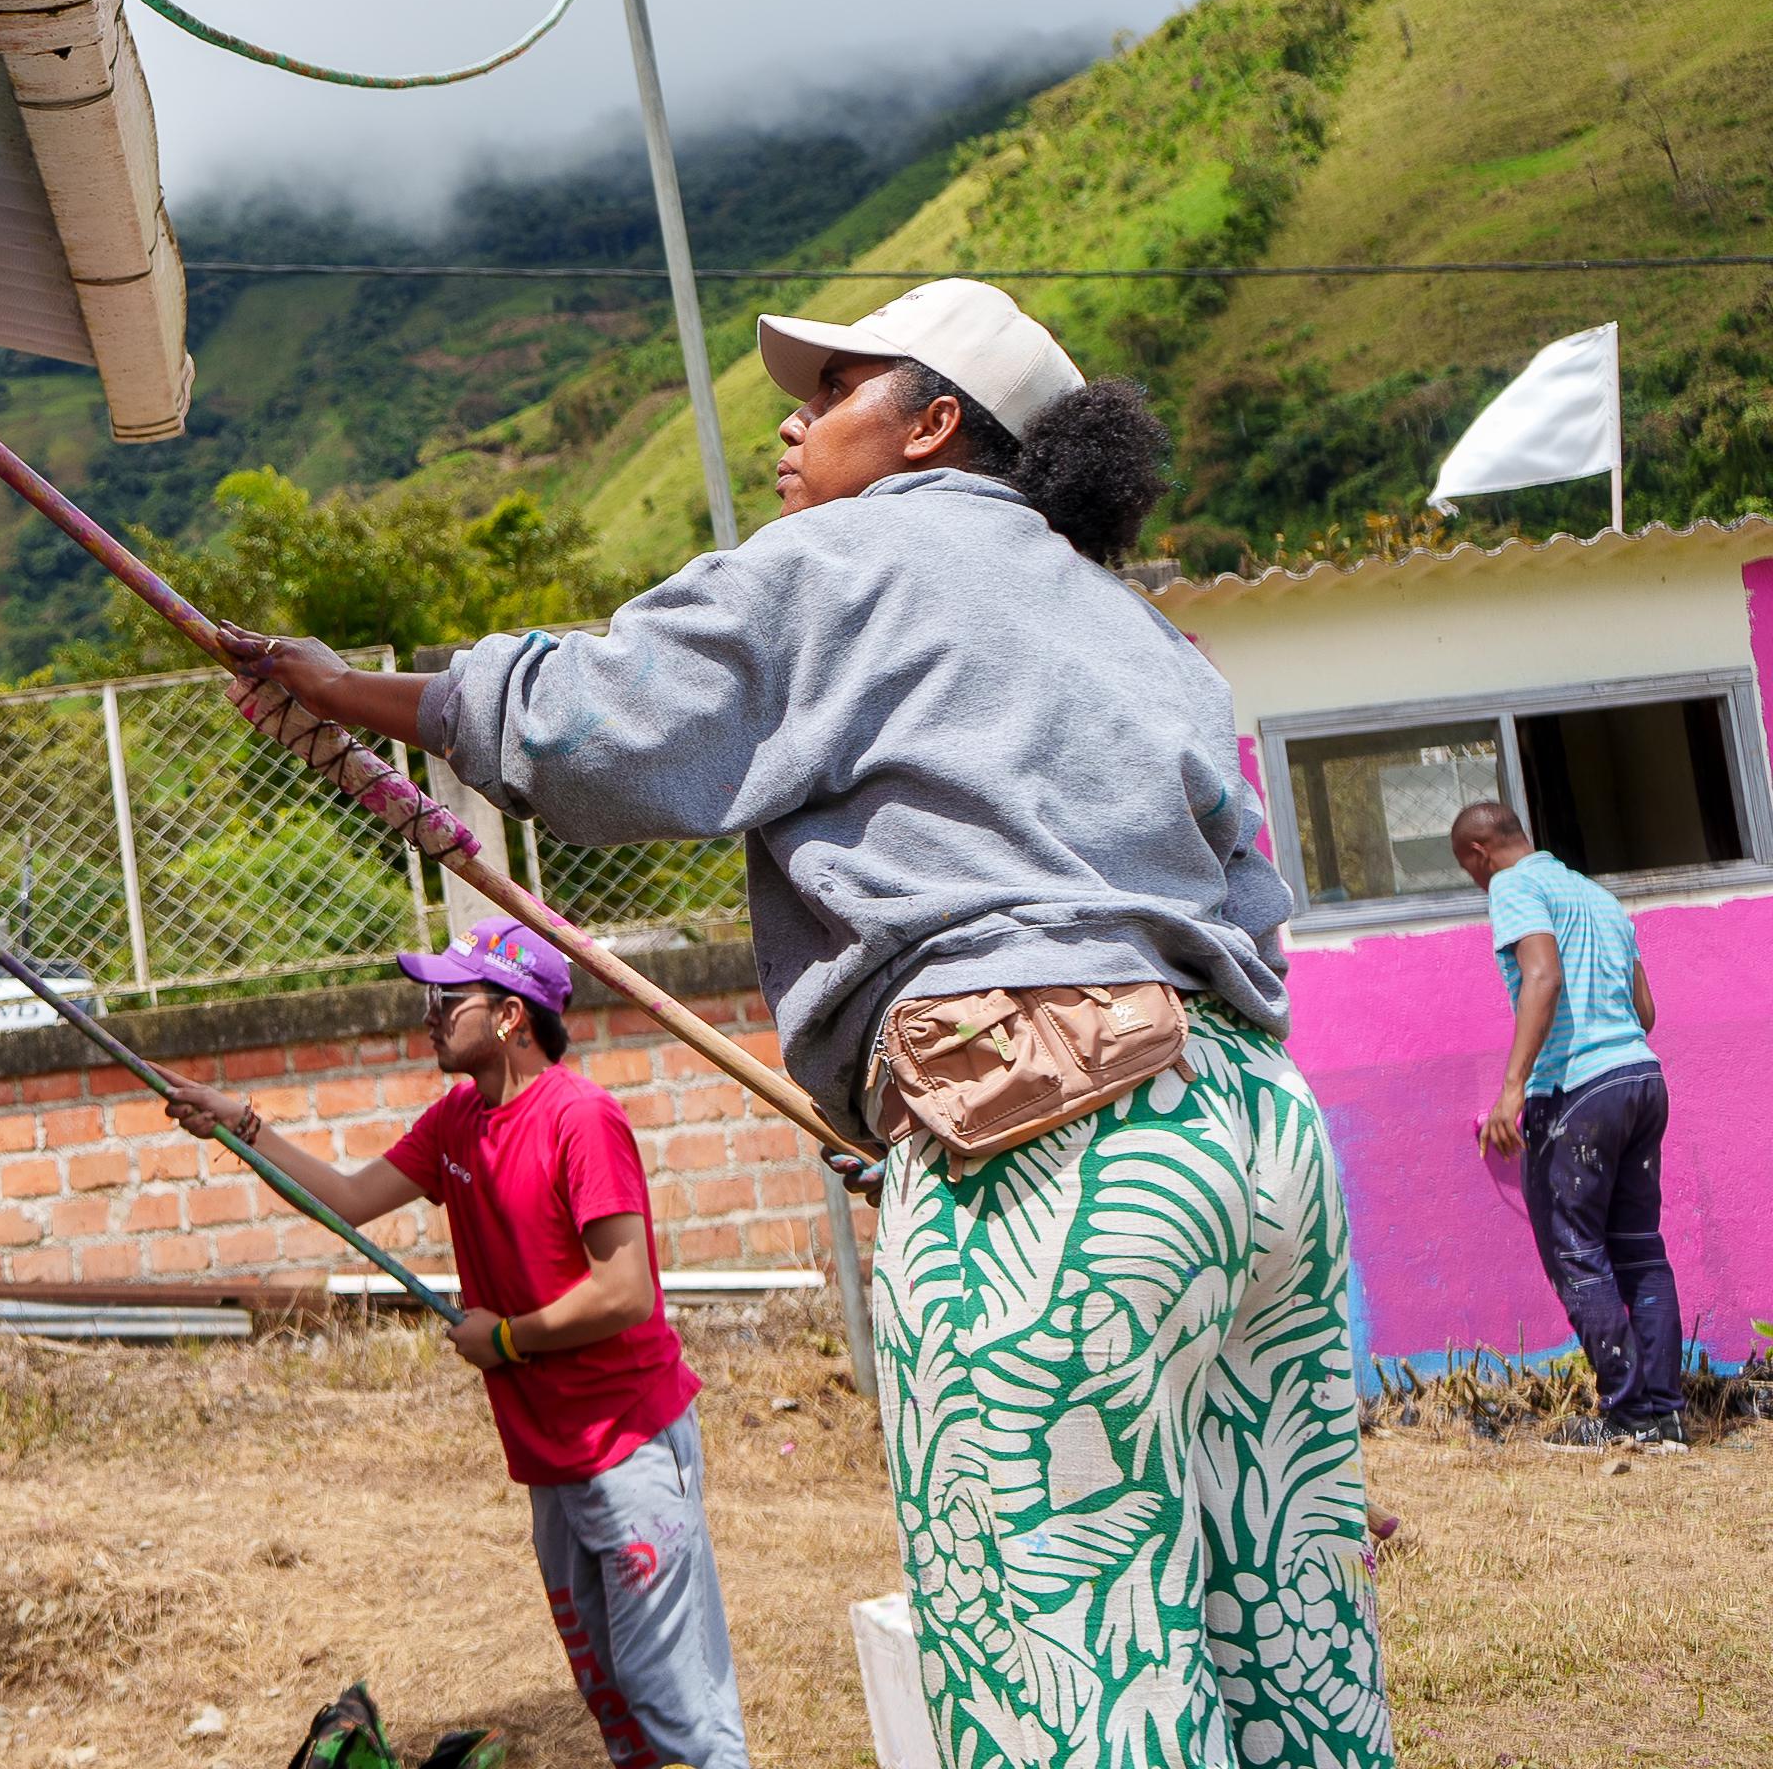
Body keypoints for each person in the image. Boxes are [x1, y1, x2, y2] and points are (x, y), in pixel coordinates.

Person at [219, 279, 1393, 1769]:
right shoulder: (1137, 623)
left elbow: (595, 722)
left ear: (933, 426)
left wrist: (352, 692)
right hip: (1251, 1136)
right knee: (1277, 1636)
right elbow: (1245, 899)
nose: (793, 418)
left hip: (1048, 1134)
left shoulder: (845, 556)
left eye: (834, 387)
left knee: (1071, 1658)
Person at [152, 919, 748, 1769]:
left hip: (628, 1444)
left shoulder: (582, 1118)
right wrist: (241, 1123)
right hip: (549, 1453)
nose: (429, 1015)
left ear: (510, 1017)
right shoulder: (458, 1120)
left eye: (447, 999)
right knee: (612, 1697)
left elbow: (625, 1293)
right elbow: (350, 1200)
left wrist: (505, 1338)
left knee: (676, 1703)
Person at [1448, 800, 1685, 1449]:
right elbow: (1645, 1008)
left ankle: (1630, 1416)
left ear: (1478, 854)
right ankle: (1664, 1414)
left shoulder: (1514, 884)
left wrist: (1512, 1088)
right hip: (1641, 1077)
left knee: (1576, 1252)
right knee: (1640, 1247)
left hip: (1577, 1089)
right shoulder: (1595, 895)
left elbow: (1542, 976)